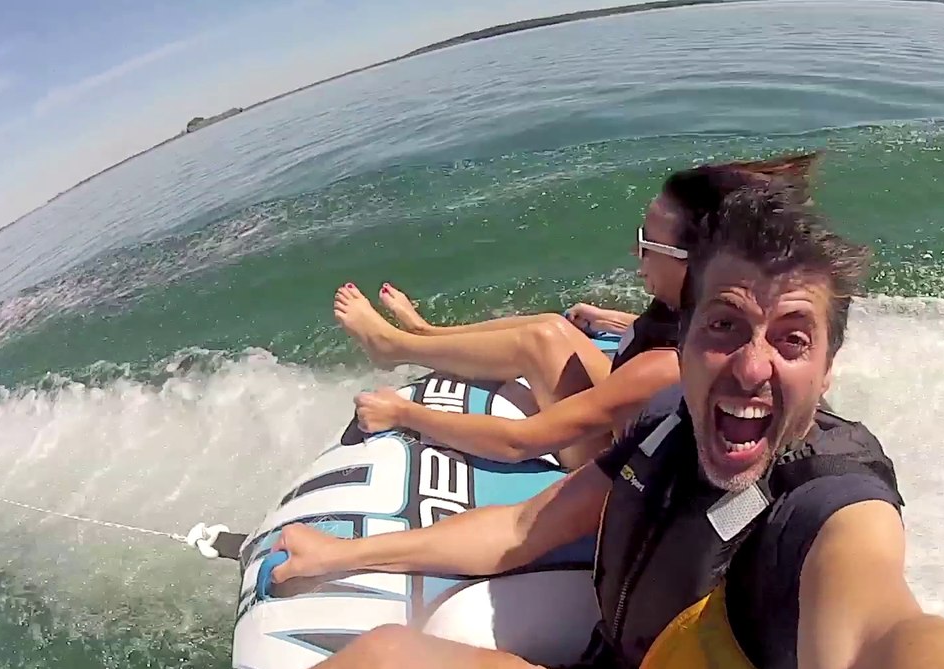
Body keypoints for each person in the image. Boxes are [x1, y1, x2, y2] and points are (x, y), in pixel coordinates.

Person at [237, 180, 944, 669]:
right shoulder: (667, 423)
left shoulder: (831, 507)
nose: (753, 366)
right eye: (724, 326)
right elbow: (520, 531)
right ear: (682, 342)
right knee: (381, 665)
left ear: (826, 370)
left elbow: (879, 647)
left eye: (792, 339)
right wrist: (339, 559)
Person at [333, 152, 820, 469]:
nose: (636, 253)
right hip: (633, 411)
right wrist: (614, 321)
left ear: (693, 263)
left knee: (543, 339)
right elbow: (657, 344)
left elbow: (519, 442)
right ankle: (424, 334)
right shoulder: (698, 317)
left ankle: (393, 346)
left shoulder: (667, 365)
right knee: (551, 326)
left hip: (606, 462)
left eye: (645, 243)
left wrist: (404, 413)